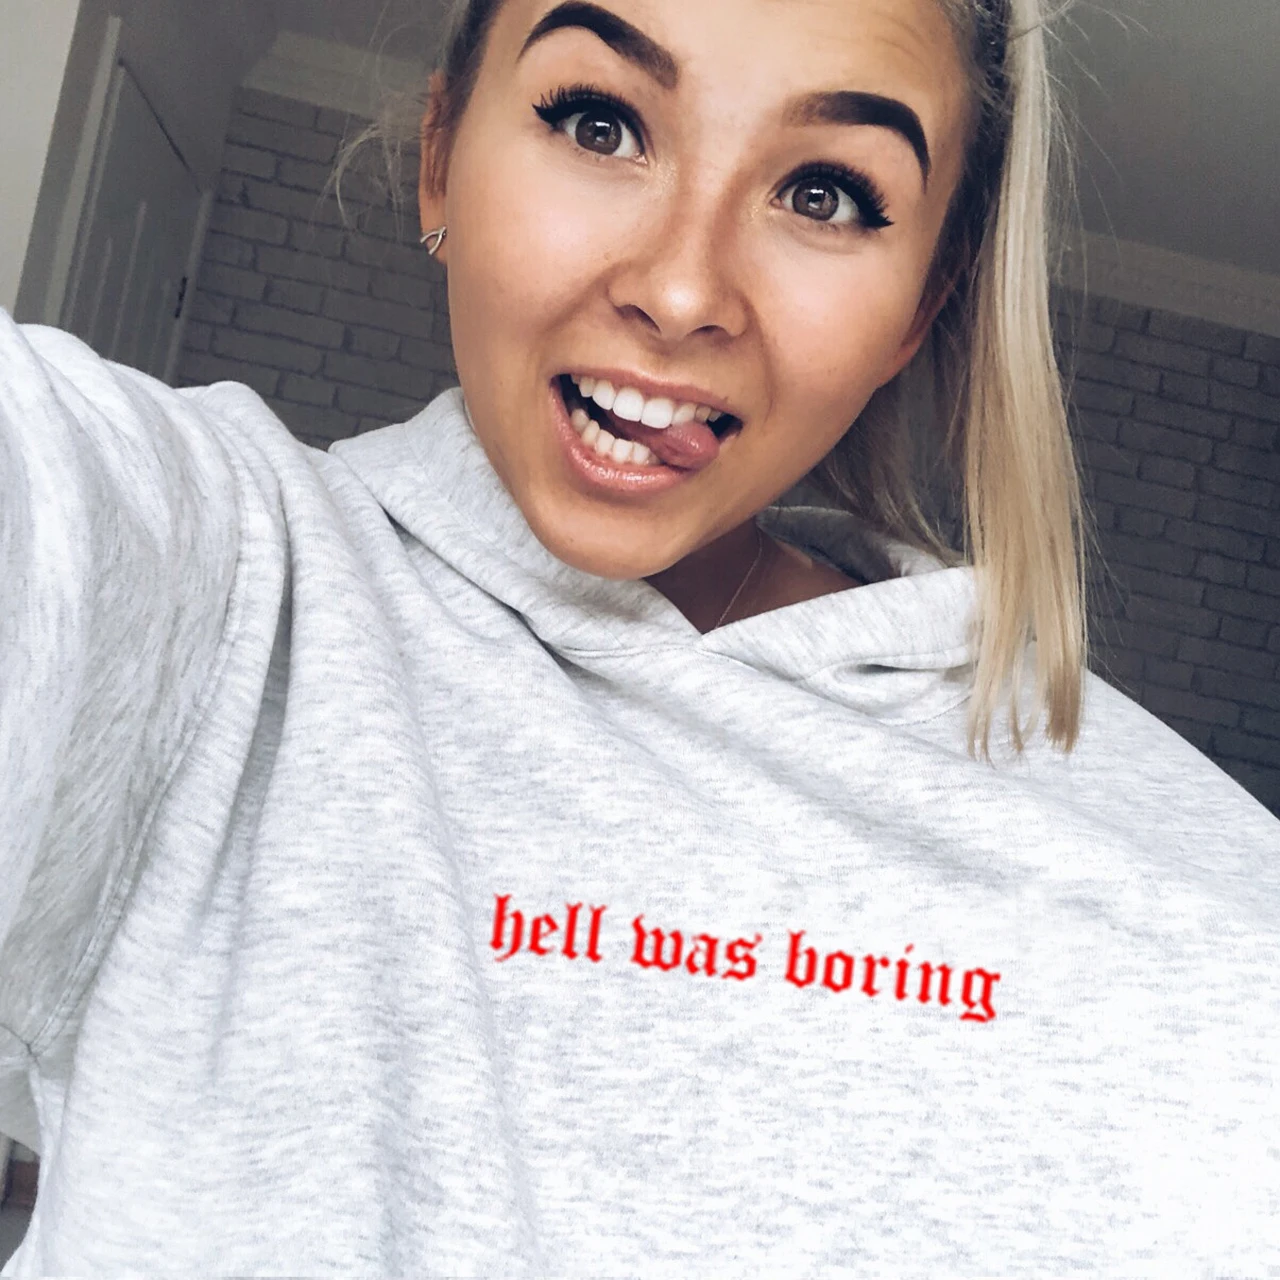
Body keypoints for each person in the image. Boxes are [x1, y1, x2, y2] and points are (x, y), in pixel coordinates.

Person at [1, 0, 1277, 1273]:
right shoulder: (221, 589)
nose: (678, 292)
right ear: (442, 156)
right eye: (599, 124)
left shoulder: (1203, 897)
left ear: (916, 306)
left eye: (824, 195)